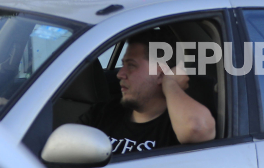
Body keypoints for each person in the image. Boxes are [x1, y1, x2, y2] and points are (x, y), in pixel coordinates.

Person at [79, 29, 216, 154]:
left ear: (161, 75)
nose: (120, 74)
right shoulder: (102, 114)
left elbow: (197, 129)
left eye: (131, 65)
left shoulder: (177, 124)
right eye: (123, 65)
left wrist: (170, 84)